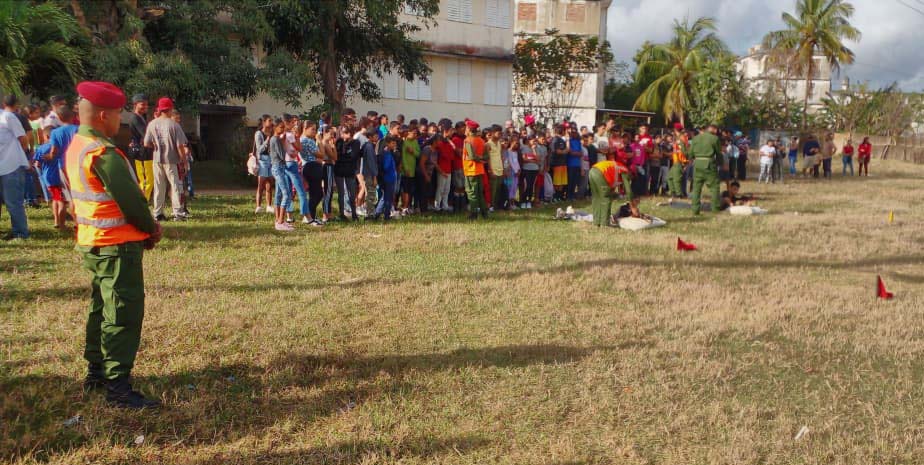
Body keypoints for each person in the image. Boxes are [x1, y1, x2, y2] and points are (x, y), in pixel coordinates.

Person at [67, 81, 162, 409]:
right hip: (115, 247)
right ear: (103, 116)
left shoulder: (78, 145)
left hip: (93, 243)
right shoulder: (102, 153)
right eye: (118, 114)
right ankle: (118, 387)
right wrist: (150, 229)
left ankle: (96, 373)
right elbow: (131, 202)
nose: (120, 120)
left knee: (101, 308)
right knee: (121, 312)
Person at [144, 97, 188, 221]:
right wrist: (184, 162)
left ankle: (158, 213)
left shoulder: (152, 124)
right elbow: (180, 146)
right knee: (175, 186)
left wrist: (155, 146)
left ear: (160, 109)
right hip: (172, 160)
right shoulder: (174, 125)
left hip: (157, 160)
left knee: (159, 186)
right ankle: (178, 213)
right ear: (170, 109)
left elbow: (146, 143)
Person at [0, 95, 31, 240]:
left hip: (12, 166)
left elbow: (23, 138)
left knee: (13, 203)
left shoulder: (8, 117)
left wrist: (21, 155)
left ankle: (20, 232)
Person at [689, 125, 723, 215]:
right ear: (711, 129)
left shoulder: (695, 138)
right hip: (709, 164)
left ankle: (695, 210)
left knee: (696, 188)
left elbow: (690, 153)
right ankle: (715, 209)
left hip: (697, 164)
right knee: (714, 187)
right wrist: (720, 164)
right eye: (715, 129)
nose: (716, 131)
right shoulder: (714, 138)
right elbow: (719, 154)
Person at [587, 159, 631, 227]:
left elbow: (611, 187)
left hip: (592, 171)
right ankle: (604, 224)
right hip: (600, 173)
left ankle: (596, 222)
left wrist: (614, 194)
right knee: (606, 199)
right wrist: (631, 201)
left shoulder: (616, 168)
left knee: (596, 198)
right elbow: (628, 190)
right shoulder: (625, 170)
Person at [128, 94, 153, 200]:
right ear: (135, 104)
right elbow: (145, 134)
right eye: (142, 104)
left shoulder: (142, 117)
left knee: (149, 179)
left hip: (145, 152)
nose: (145, 107)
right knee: (146, 180)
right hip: (141, 153)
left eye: (147, 104)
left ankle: (144, 201)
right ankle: (142, 203)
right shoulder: (135, 118)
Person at [268, 120, 292, 230]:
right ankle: (281, 222)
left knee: (278, 194)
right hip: (278, 167)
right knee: (286, 194)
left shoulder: (275, 139)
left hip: (278, 167)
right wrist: (284, 144)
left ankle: (278, 220)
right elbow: (282, 155)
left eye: (283, 127)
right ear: (275, 127)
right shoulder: (275, 139)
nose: (283, 129)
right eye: (281, 127)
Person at [462, 119, 488, 219]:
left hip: (470, 170)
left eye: (466, 128)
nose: (465, 130)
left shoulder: (468, 140)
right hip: (480, 170)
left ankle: (473, 214)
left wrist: (477, 158)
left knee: (471, 193)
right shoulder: (481, 140)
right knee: (480, 193)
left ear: (469, 129)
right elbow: (486, 157)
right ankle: (484, 214)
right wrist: (481, 159)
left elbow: (472, 157)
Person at [299, 122, 324, 226]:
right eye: (312, 129)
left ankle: (311, 216)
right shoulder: (308, 141)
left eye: (315, 129)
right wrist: (320, 141)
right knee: (317, 194)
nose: (314, 132)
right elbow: (321, 155)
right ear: (305, 128)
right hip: (312, 167)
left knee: (315, 193)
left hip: (308, 166)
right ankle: (309, 216)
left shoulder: (301, 139)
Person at [334, 126, 360, 221]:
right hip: (339, 170)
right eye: (342, 133)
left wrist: (342, 157)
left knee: (352, 193)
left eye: (345, 132)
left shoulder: (356, 142)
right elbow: (337, 155)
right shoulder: (339, 142)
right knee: (341, 193)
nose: (343, 135)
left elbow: (353, 156)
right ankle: (342, 214)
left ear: (350, 133)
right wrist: (344, 156)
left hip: (350, 170)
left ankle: (354, 213)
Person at [372, 135, 398, 221]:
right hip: (388, 179)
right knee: (387, 198)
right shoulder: (386, 154)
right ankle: (384, 215)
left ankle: (380, 214)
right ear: (387, 143)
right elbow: (386, 167)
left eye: (395, 143)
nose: (394, 145)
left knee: (386, 197)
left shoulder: (389, 153)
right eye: (392, 143)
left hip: (391, 178)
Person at [254, 115, 274, 213]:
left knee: (270, 183)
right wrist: (267, 140)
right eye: (269, 120)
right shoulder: (259, 133)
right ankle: (258, 206)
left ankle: (269, 206)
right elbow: (259, 149)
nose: (271, 122)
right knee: (261, 184)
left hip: (271, 160)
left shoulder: (272, 132)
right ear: (264, 122)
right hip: (262, 160)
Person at [358, 129, 379, 219]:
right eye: (375, 136)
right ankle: (370, 214)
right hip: (370, 174)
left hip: (366, 173)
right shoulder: (369, 147)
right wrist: (375, 176)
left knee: (370, 193)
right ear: (370, 137)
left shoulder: (366, 145)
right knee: (371, 193)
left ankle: (370, 212)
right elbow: (371, 163)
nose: (377, 137)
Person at [399, 127, 419, 214]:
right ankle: (404, 207)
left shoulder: (415, 142)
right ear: (408, 133)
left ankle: (408, 207)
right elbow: (403, 157)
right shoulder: (404, 142)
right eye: (413, 133)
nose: (415, 135)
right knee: (405, 190)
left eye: (416, 134)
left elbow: (418, 154)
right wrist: (406, 168)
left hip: (413, 170)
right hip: (405, 171)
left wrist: (413, 151)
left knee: (410, 190)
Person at [667, 123, 688, 201]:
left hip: (679, 161)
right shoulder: (678, 138)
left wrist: (685, 162)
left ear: (675, 129)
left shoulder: (680, 139)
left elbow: (684, 151)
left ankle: (679, 195)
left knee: (676, 179)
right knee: (669, 177)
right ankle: (674, 193)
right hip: (676, 161)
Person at [433, 133, 454, 211]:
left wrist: (447, 155)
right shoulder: (440, 145)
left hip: (449, 170)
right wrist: (447, 155)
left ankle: (445, 205)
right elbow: (443, 155)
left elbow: (452, 157)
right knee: (440, 189)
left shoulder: (449, 145)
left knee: (447, 189)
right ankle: (437, 206)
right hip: (441, 170)